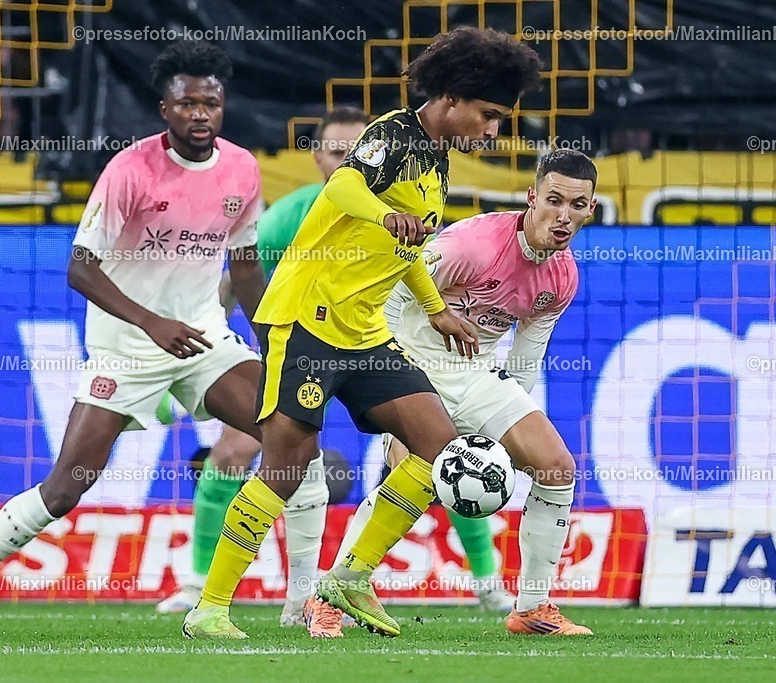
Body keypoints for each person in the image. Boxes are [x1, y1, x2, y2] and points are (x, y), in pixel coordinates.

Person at [183, 27, 543, 640]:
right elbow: (348, 186)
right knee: (285, 468)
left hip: (366, 330)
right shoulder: (393, 133)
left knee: (439, 448)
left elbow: (409, 246)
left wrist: (433, 308)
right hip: (307, 319)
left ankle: (349, 575)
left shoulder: (436, 158)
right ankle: (210, 608)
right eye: (487, 115)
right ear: (452, 97)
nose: (491, 130)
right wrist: (385, 210)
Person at [0, 41, 271, 624]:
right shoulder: (129, 170)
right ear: (164, 108)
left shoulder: (242, 168)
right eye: (187, 104)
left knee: (289, 435)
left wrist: (270, 341)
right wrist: (152, 324)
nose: (200, 114)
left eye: (211, 103)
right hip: (127, 349)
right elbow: (80, 267)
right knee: (65, 489)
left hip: (203, 342)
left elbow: (246, 264)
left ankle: (306, 598)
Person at [326, 149, 598, 637]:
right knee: (415, 472)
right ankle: (330, 595)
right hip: (408, 354)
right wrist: (391, 379)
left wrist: (503, 434)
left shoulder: (562, 277)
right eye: (554, 200)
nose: (563, 216)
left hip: (472, 371)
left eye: (577, 205)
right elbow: (388, 294)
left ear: (590, 210)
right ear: (531, 197)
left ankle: (532, 608)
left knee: (556, 468)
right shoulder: (471, 244)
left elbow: (524, 360)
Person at [157, 108, 369, 633]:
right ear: (318, 156)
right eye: (336, 151)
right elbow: (235, 277)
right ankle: (199, 586)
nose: (346, 160)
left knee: (437, 453)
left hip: (373, 354)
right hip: (299, 356)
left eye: (357, 151)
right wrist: (216, 348)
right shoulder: (288, 218)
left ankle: (487, 588)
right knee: (231, 454)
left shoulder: (396, 215)